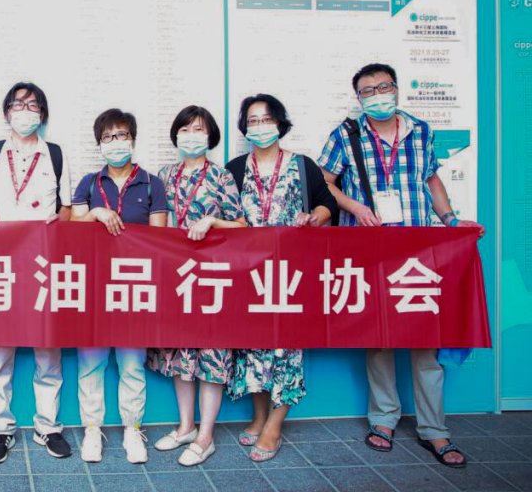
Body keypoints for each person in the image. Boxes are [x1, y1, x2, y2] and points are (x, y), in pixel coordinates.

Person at [319, 62, 484, 469]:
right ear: (358, 98)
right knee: (379, 339)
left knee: (425, 339)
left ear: (396, 88)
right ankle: (384, 419)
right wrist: (355, 207)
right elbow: (324, 183)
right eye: (368, 91)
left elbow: (431, 179)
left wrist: (450, 220)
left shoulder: (421, 131)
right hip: (369, 248)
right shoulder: (346, 135)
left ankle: (434, 429)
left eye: (383, 87)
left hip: (415, 249)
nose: (377, 96)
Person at [224, 94, 338, 462]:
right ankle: (259, 416)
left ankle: (274, 425)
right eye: (252, 121)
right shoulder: (235, 168)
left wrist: (314, 217)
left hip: (291, 272)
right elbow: (226, 214)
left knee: (287, 347)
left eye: (266, 119)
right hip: (248, 272)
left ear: (280, 123)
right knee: (252, 346)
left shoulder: (302, 165)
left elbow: (327, 204)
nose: (259, 126)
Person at [0, 82, 73, 464]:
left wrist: (60, 220)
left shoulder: (56, 154)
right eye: (18, 105)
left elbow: (67, 208)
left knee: (47, 348)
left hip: (42, 264)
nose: (25, 111)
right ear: (6, 113)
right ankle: (0, 429)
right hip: (2, 266)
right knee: (0, 352)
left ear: (42, 115)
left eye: (33, 105)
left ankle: (48, 427)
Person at [148, 105, 245, 467]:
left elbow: (242, 225)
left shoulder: (221, 176)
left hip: (212, 278)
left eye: (199, 130)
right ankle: (186, 427)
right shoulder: (164, 175)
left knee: (212, 354)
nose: (191, 136)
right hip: (175, 277)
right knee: (180, 353)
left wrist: (213, 222)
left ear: (210, 136)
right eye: (185, 129)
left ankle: (206, 437)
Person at [70, 108, 167, 464]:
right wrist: (95, 214)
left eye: (122, 135)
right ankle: (91, 429)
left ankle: (132, 429)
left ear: (133, 139)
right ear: (99, 144)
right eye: (108, 137)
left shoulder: (152, 183)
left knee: (131, 364)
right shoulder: (88, 183)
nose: (115, 142)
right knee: (90, 364)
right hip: (93, 288)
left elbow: (159, 238)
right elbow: (71, 230)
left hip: (134, 287)